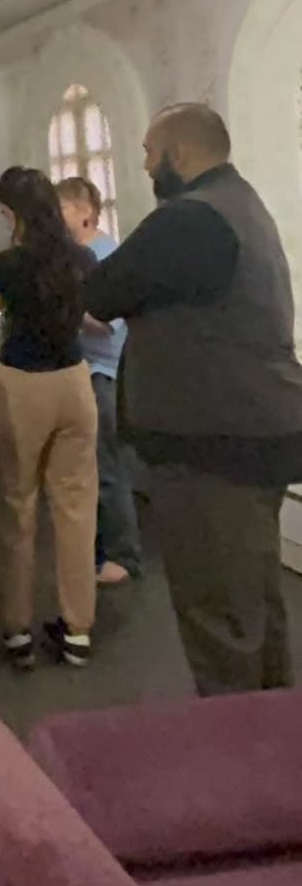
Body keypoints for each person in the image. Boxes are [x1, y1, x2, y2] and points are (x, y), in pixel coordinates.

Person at [86, 104, 302, 696]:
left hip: (214, 443)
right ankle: (272, 731)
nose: (145, 167)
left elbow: (101, 291)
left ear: (177, 154)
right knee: (253, 602)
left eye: (149, 155)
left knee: (219, 617)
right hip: (253, 433)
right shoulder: (239, 203)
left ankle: (237, 745)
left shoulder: (189, 219)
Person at [0, 168, 98, 671]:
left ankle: (18, 630)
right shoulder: (81, 258)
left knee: (18, 506)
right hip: (75, 382)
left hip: (23, 385)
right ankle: (77, 630)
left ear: (14, 213)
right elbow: (93, 315)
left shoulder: (7, 263)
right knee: (76, 509)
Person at [57, 177, 142, 586]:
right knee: (91, 465)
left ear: (85, 211)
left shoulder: (105, 257)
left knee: (107, 466)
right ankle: (101, 550)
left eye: (62, 209)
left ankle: (124, 555)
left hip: (105, 372)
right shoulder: (79, 257)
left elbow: (109, 324)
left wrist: (66, 309)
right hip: (88, 369)